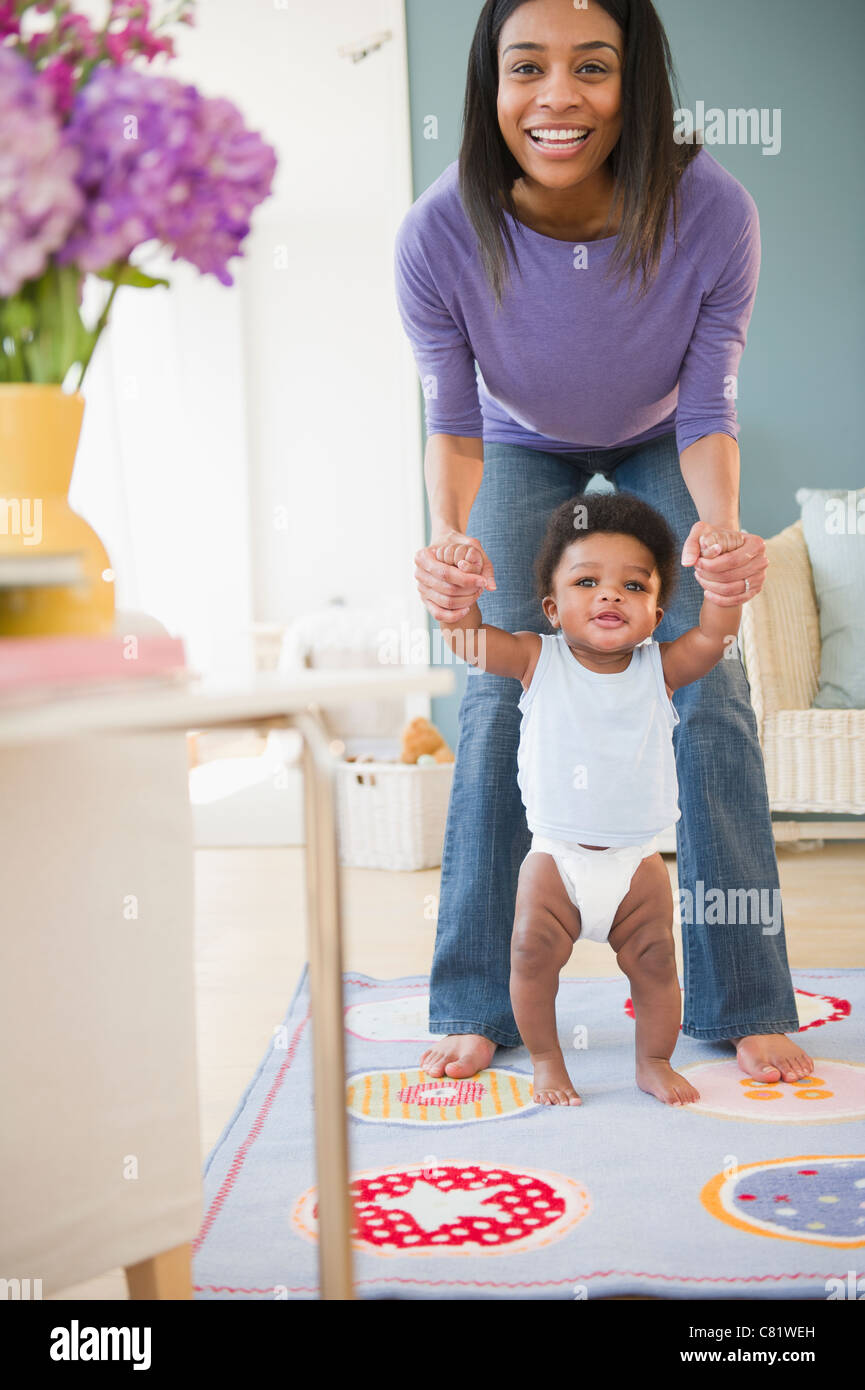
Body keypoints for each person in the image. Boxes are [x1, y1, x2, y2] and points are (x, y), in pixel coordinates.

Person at [394, 0, 813, 1086]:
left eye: (593, 67)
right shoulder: (438, 229)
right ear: (491, 86)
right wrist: (448, 542)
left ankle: (745, 997)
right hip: (514, 442)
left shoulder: (711, 211)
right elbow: (449, 411)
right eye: (525, 67)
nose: (557, 97)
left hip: (658, 441)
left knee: (707, 685)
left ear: (636, 84)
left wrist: (714, 530)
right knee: (493, 689)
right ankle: (476, 996)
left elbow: (710, 398)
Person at [440, 493, 749, 1107]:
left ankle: (653, 1060)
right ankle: (549, 1062)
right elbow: (470, 641)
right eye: (588, 581)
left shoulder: (660, 667)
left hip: (637, 865)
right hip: (555, 860)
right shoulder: (537, 657)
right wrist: (461, 596)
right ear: (553, 609)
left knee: (658, 961)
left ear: (657, 613)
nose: (611, 595)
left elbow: (714, 638)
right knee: (530, 953)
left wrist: (723, 590)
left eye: (634, 586)